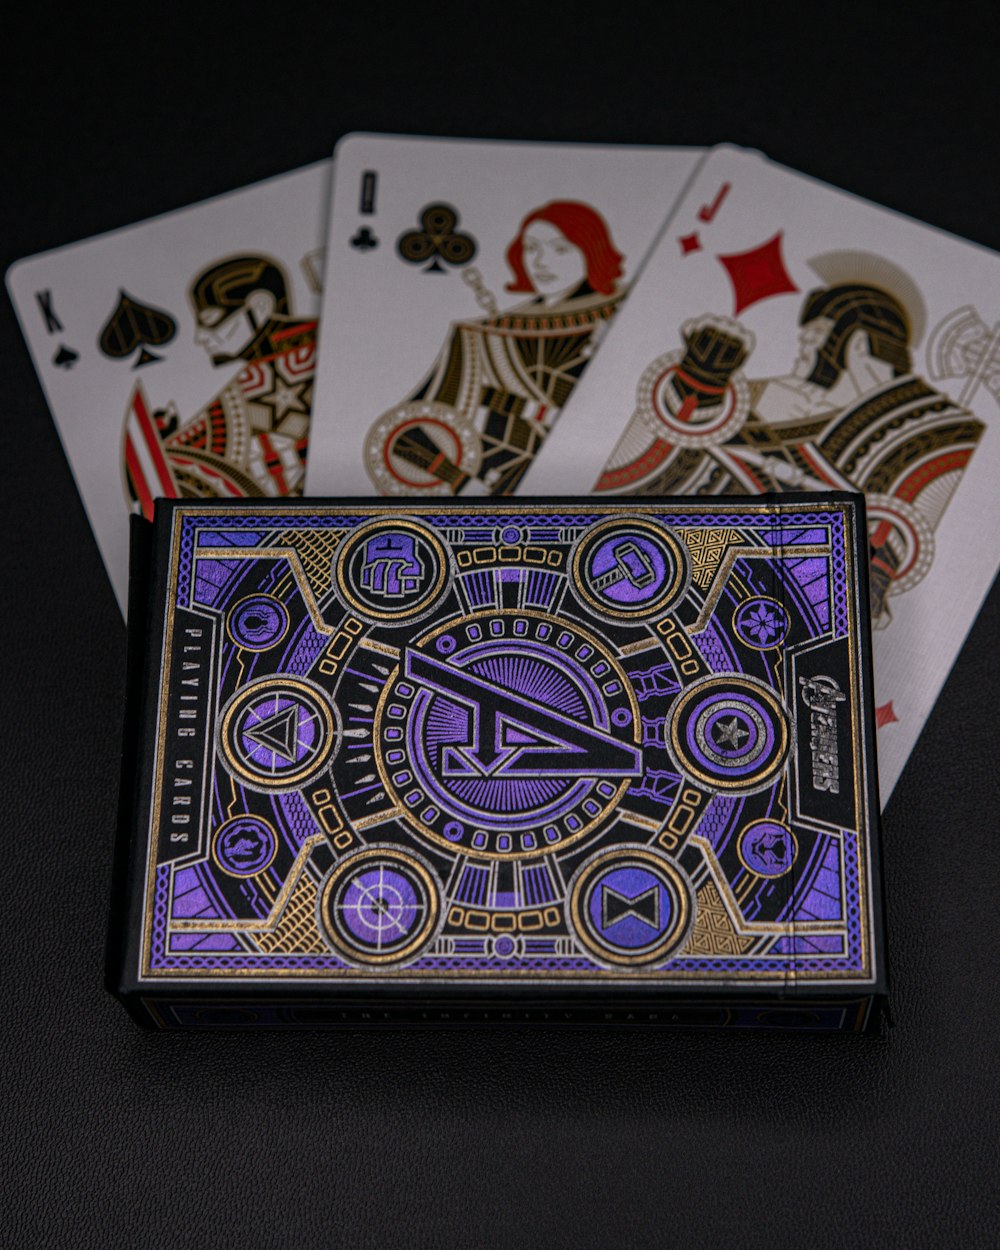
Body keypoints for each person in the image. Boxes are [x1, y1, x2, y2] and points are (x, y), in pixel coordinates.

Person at [597, 260, 984, 625]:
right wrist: (696, 385)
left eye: (815, 334)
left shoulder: (931, 439)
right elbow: (640, 477)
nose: (802, 345)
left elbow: (871, 602)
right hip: (660, 575)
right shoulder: (756, 398)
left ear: (857, 344)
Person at [368, 201, 627, 496]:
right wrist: (461, 482)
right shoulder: (482, 337)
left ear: (592, 252)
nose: (540, 262)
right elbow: (403, 435)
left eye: (560, 249)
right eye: (531, 248)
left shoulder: (627, 324)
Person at [124, 254, 317, 512]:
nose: (200, 338)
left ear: (259, 307)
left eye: (211, 321)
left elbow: (208, 440)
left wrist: (159, 446)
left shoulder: (262, 379)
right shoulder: (325, 348)